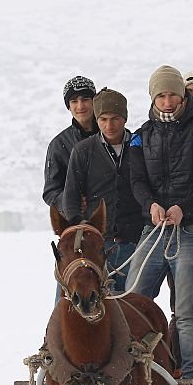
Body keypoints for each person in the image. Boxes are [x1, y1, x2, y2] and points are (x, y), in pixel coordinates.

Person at [126, 65, 193, 379]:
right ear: (153, 98)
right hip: (154, 230)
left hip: (191, 229)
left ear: (182, 96)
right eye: (161, 95)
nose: (167, 101)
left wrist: (185, 207)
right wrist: (150, 204)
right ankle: (133, 369)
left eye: (172, 95)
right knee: (132, 300)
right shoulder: (142, 135)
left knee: (186, 309)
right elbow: (137, 180)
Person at [60, 88, 144, 292]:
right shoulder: (83, 150)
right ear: (96, 119)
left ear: (124, 118)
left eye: (115, 118)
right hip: (97, 243)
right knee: (94, 301)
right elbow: (70, 197)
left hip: (136, 240)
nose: (109, 125)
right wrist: (81, 230)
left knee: (132, 300)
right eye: (103, 119)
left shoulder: (140, 146)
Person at [43, 76, 99, 212]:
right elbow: (51, 192)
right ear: (68, 106)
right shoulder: (58, 145)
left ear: (95, 102)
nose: (80, 106)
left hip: (118, 221)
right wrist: (70, 202)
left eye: (85, 99)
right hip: (77, 222)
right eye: (74, 101)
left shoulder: (112, 135)